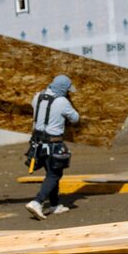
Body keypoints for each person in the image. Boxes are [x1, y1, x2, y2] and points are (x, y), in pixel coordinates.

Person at [25, 74, 80, 220]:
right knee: (55, 174)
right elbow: (75, 118)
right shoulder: (62, 101)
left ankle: (55, 205)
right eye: (68, 89)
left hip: (37, 143)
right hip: (53, 143)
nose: (69, 92)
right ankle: (37, 202)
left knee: (51, 173)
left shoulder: (38, 96)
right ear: (63, 88)